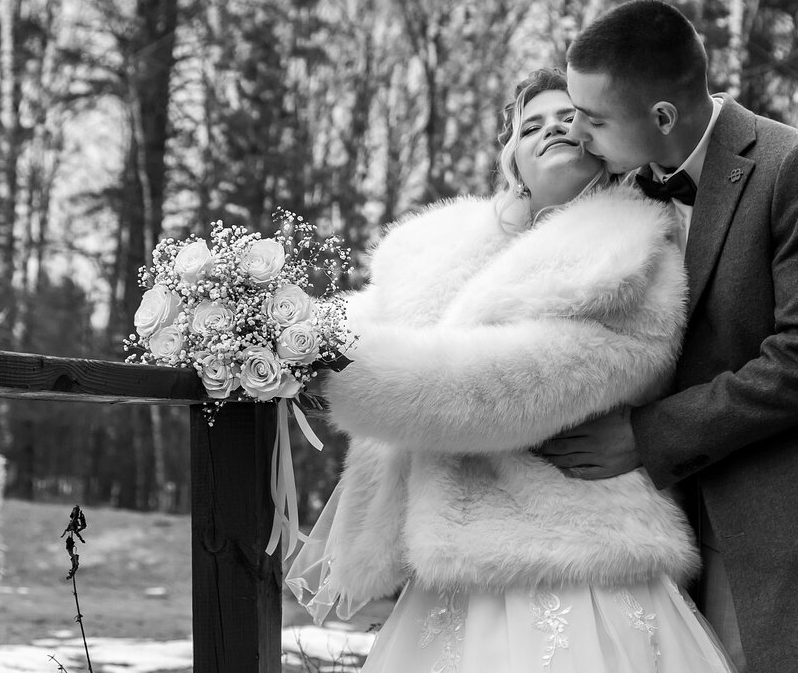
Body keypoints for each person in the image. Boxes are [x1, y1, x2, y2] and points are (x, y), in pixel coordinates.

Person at [538, 0, 798, 673]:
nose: (579, 132)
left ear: (662, 117)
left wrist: (647, 436)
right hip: (688, 528)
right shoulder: (621, 194)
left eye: (593, 119)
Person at [287, 68, 737, 673]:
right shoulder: (437, 257)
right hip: (451, 568)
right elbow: (360, 321)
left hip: (579, 553)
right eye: (531, 126)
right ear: (514, 162)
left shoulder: (633, 260)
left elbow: (499, 390)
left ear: (604, 146)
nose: (552, 129)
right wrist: (260, 323)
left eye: (569, 118)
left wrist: (329, 360)